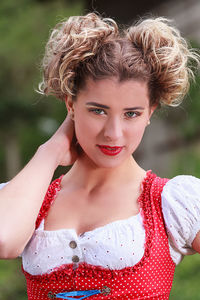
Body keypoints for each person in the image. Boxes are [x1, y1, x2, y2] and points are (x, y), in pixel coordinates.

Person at [0, 12, 199, 300]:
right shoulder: (28, 198)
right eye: (98, 111)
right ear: (70, 104)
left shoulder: (173, 203)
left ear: (150, 112)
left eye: (131, 114)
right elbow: (5, 240)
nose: (113, 134)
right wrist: (51, 150)